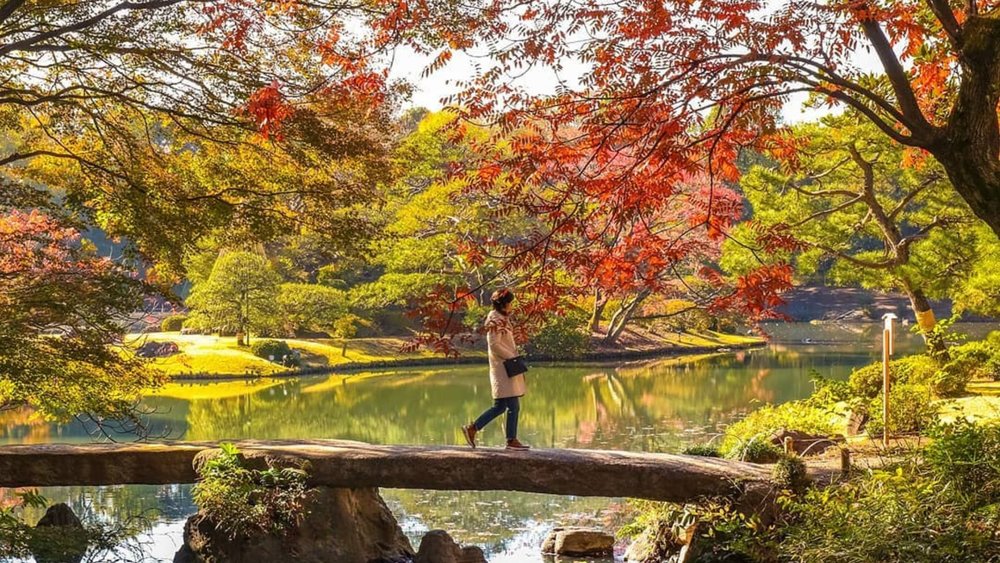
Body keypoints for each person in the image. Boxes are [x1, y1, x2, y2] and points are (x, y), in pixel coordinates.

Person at [462, 288, 530, 450]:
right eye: (510, 303)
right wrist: (512, 358)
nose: (512, 306)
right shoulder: (495, 321)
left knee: (500, 406)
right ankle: (510, 439)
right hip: (503, 367)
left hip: (506, 366)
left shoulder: (501, 319)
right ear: (505, 304)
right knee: (513, 405)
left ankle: (474, 428)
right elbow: (494, 345)